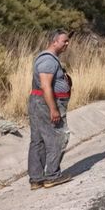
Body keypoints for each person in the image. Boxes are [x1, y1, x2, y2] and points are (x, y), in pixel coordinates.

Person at [28, 29, 74, 190]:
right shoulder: (48, 60)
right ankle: (52, 176)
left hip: (39, 102)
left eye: (68, 41)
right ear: (54, 41)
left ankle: (36, 179)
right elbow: (46, 86)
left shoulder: (49, 59)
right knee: (57, 137)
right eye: (64, 41)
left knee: (38, 139)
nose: (67, 44)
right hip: (46, 103)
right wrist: (53, 109)